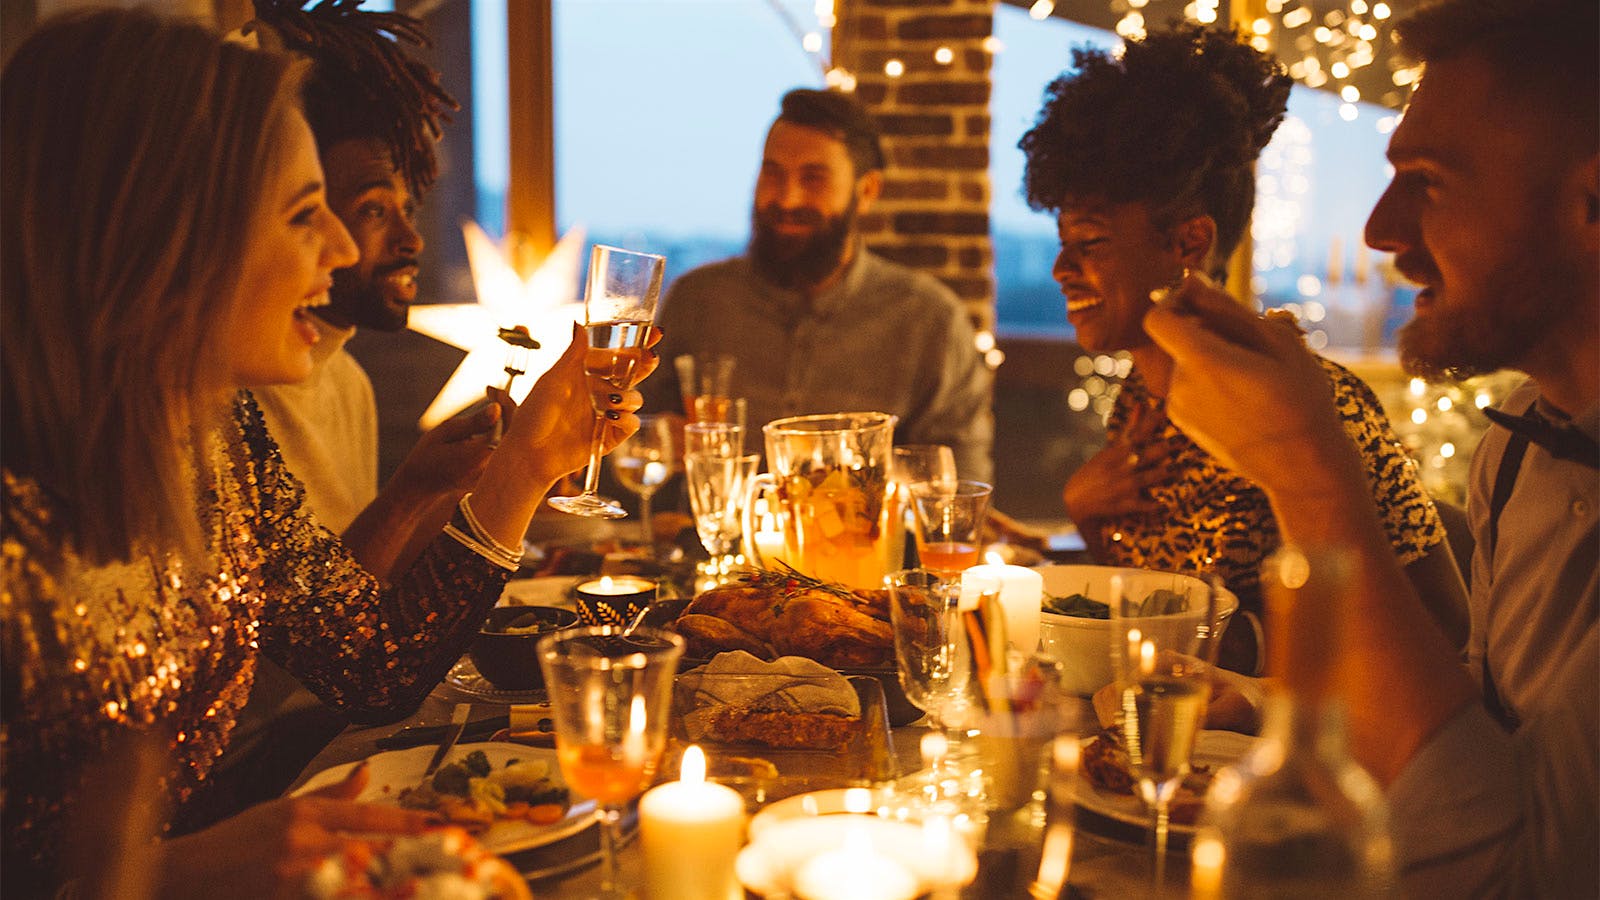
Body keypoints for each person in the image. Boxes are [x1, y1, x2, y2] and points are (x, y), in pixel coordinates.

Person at [0, 9, 649, 896]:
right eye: (307, 214)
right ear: (162, 231)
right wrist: (163, 878)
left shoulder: (220, 437)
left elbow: (371, 663)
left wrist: (527, 466)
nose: (344, 248)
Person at [1139, 0, 1596, 893]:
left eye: (1427, 179)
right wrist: (1280, 706)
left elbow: (1507, 881)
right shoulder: (1516, 455)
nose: (1381, 232)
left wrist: (1306, 468)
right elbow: (1477, 731)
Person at [1018, 24, 1468, 672]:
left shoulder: (1318, 406)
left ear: (1188, 245)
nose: (1061, 268)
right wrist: (1085, 516)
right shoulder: (1139, 404)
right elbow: (1147, 613)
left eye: (1089, 243)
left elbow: (1447, 633)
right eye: (1062, 241)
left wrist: (1246, 653)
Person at [641, 87, 995, 481]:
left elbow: (957, 486)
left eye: (813, 179)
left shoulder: (929, 320)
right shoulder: (697, 300)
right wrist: (654, 437)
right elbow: (632, 441)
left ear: (866, 191)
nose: (787, 199)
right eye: (772, 173)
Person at [246, 0, 481, 578]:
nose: (412, 239)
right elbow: (323, 640)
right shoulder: (237, 403)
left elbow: (368, 600)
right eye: (374, 209)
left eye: (409, 207)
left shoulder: (348, 383)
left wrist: (480, 480)